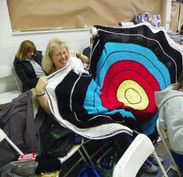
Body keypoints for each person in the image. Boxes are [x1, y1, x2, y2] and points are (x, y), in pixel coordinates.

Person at [35, 38, 158, 174]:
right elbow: (50, 110)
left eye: (65, 52)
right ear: (50, 57)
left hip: (100, 99)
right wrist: (40, 92)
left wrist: (80, 55)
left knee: (128, 115)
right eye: (58, 54)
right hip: (84, 114)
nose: (63, 56)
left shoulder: (74, 63)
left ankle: (146, 154)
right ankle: (138, 164)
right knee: (119, 130)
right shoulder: (51, 82)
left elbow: (90, 63)